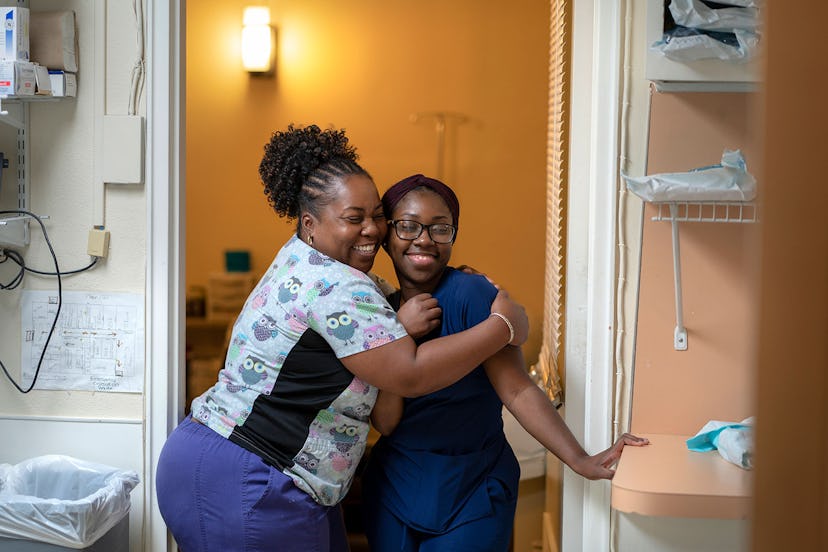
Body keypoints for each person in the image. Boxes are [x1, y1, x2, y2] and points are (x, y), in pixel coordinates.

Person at [155, 126, 529, 552]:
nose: (371, 230)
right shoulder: (336, 285)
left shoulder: (305, 258)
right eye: (354, 219)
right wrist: (503, 325)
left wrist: (451, 285)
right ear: (310, 223)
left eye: (377, 216)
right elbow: (408, 374)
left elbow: (374, 313)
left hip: (231, 463)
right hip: (251, 475)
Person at [361, 174, 649, 551]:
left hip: (472, 488)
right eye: (408, 226)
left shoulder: (473, 294)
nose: (424, 239)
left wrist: (578, 459)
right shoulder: (378, 312)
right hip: (396, 488)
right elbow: (385, 421)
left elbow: (516, 389)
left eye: (440, 228)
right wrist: (395, 336)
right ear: (387, 235)